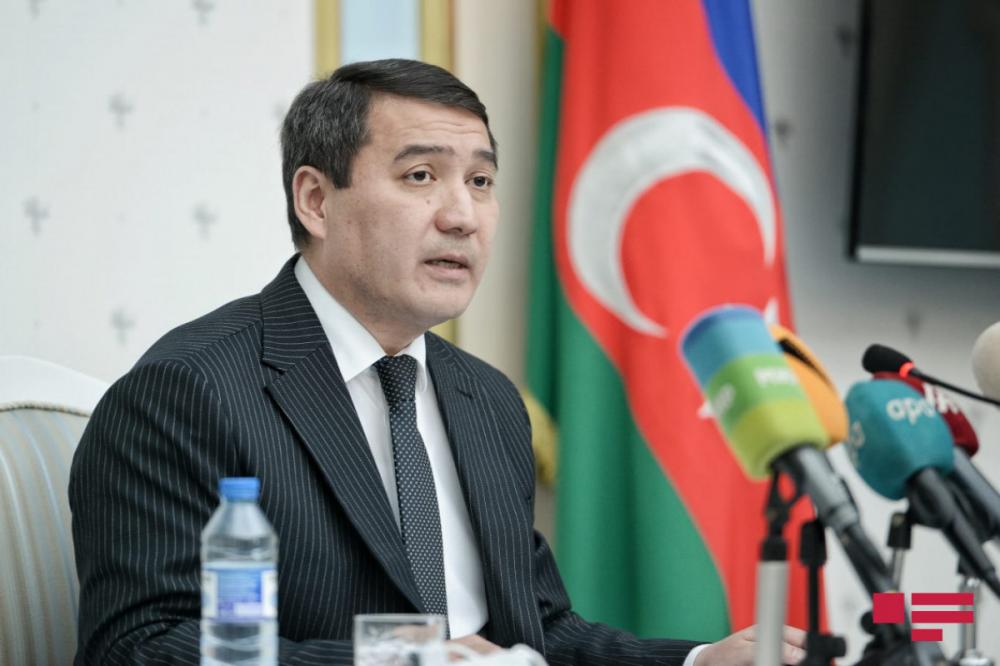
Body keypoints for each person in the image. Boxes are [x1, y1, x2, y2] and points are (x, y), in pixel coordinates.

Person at [70, 58, 805, 665]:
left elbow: (537, 634)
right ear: (316, 201)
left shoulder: (486, 399)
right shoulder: (189, 390)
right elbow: (138, 647)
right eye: (421, 176)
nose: (462, 216)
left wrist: (698, 660)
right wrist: (406, 660)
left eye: (480, 182)